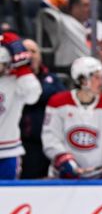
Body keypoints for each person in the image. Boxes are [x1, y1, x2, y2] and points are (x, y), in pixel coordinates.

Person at [42, 57, 102, 187]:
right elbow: (50, 137)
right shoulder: (58, 103)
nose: (101, 82)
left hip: (99, 179)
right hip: (64, 178)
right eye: (96, 78)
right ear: (82, 80)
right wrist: (63, 159)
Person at [20, 39, 66, 179]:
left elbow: (61, 99)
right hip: (23, 143)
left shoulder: (52, 79)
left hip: (47, 144)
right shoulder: (13, 80)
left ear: (40, 56)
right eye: (26, 51)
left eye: (34, 51)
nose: (30, 55)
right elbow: (29, 97)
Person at [0, 32, 42, 180]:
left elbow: (33, 96)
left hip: (8, 151)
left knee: (7, 198)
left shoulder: (16, 80)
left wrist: (23, 67)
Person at [42, 0, 102, 72]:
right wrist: (64, 0)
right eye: (85, 5)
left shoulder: (101, 27)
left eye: (90, 5)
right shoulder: (61, 21)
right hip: (70, 69)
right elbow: (45, 3)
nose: (89, 9)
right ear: (74, 7)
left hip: (97, 70)